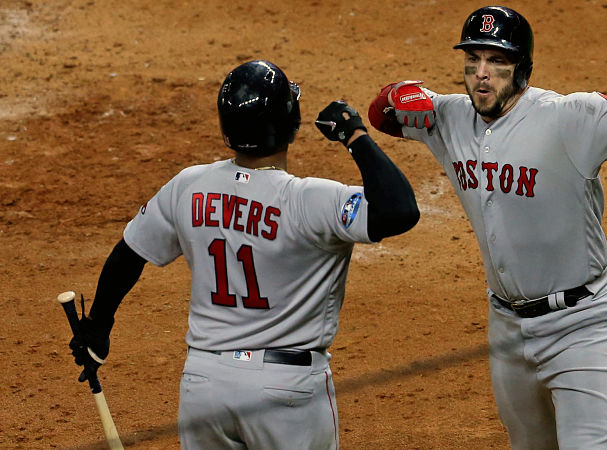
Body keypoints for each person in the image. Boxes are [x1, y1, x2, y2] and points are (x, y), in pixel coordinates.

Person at [367, 5, 607, 450]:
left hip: (583, 324)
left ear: (522, 69)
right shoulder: (451, 117)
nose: (482, 75)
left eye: (497, 62)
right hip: (507, 327)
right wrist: (399, 92)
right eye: (473, 62)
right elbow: (382, 115)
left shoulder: (569, 117)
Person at [67, 59, 419, 449]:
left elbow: (129, 253)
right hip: (286, 391)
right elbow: (399, 210)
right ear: (291, 124)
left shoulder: (188, 186)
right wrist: (355, 134)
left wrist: (98, 326)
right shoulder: (311, 200)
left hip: (205, 386)